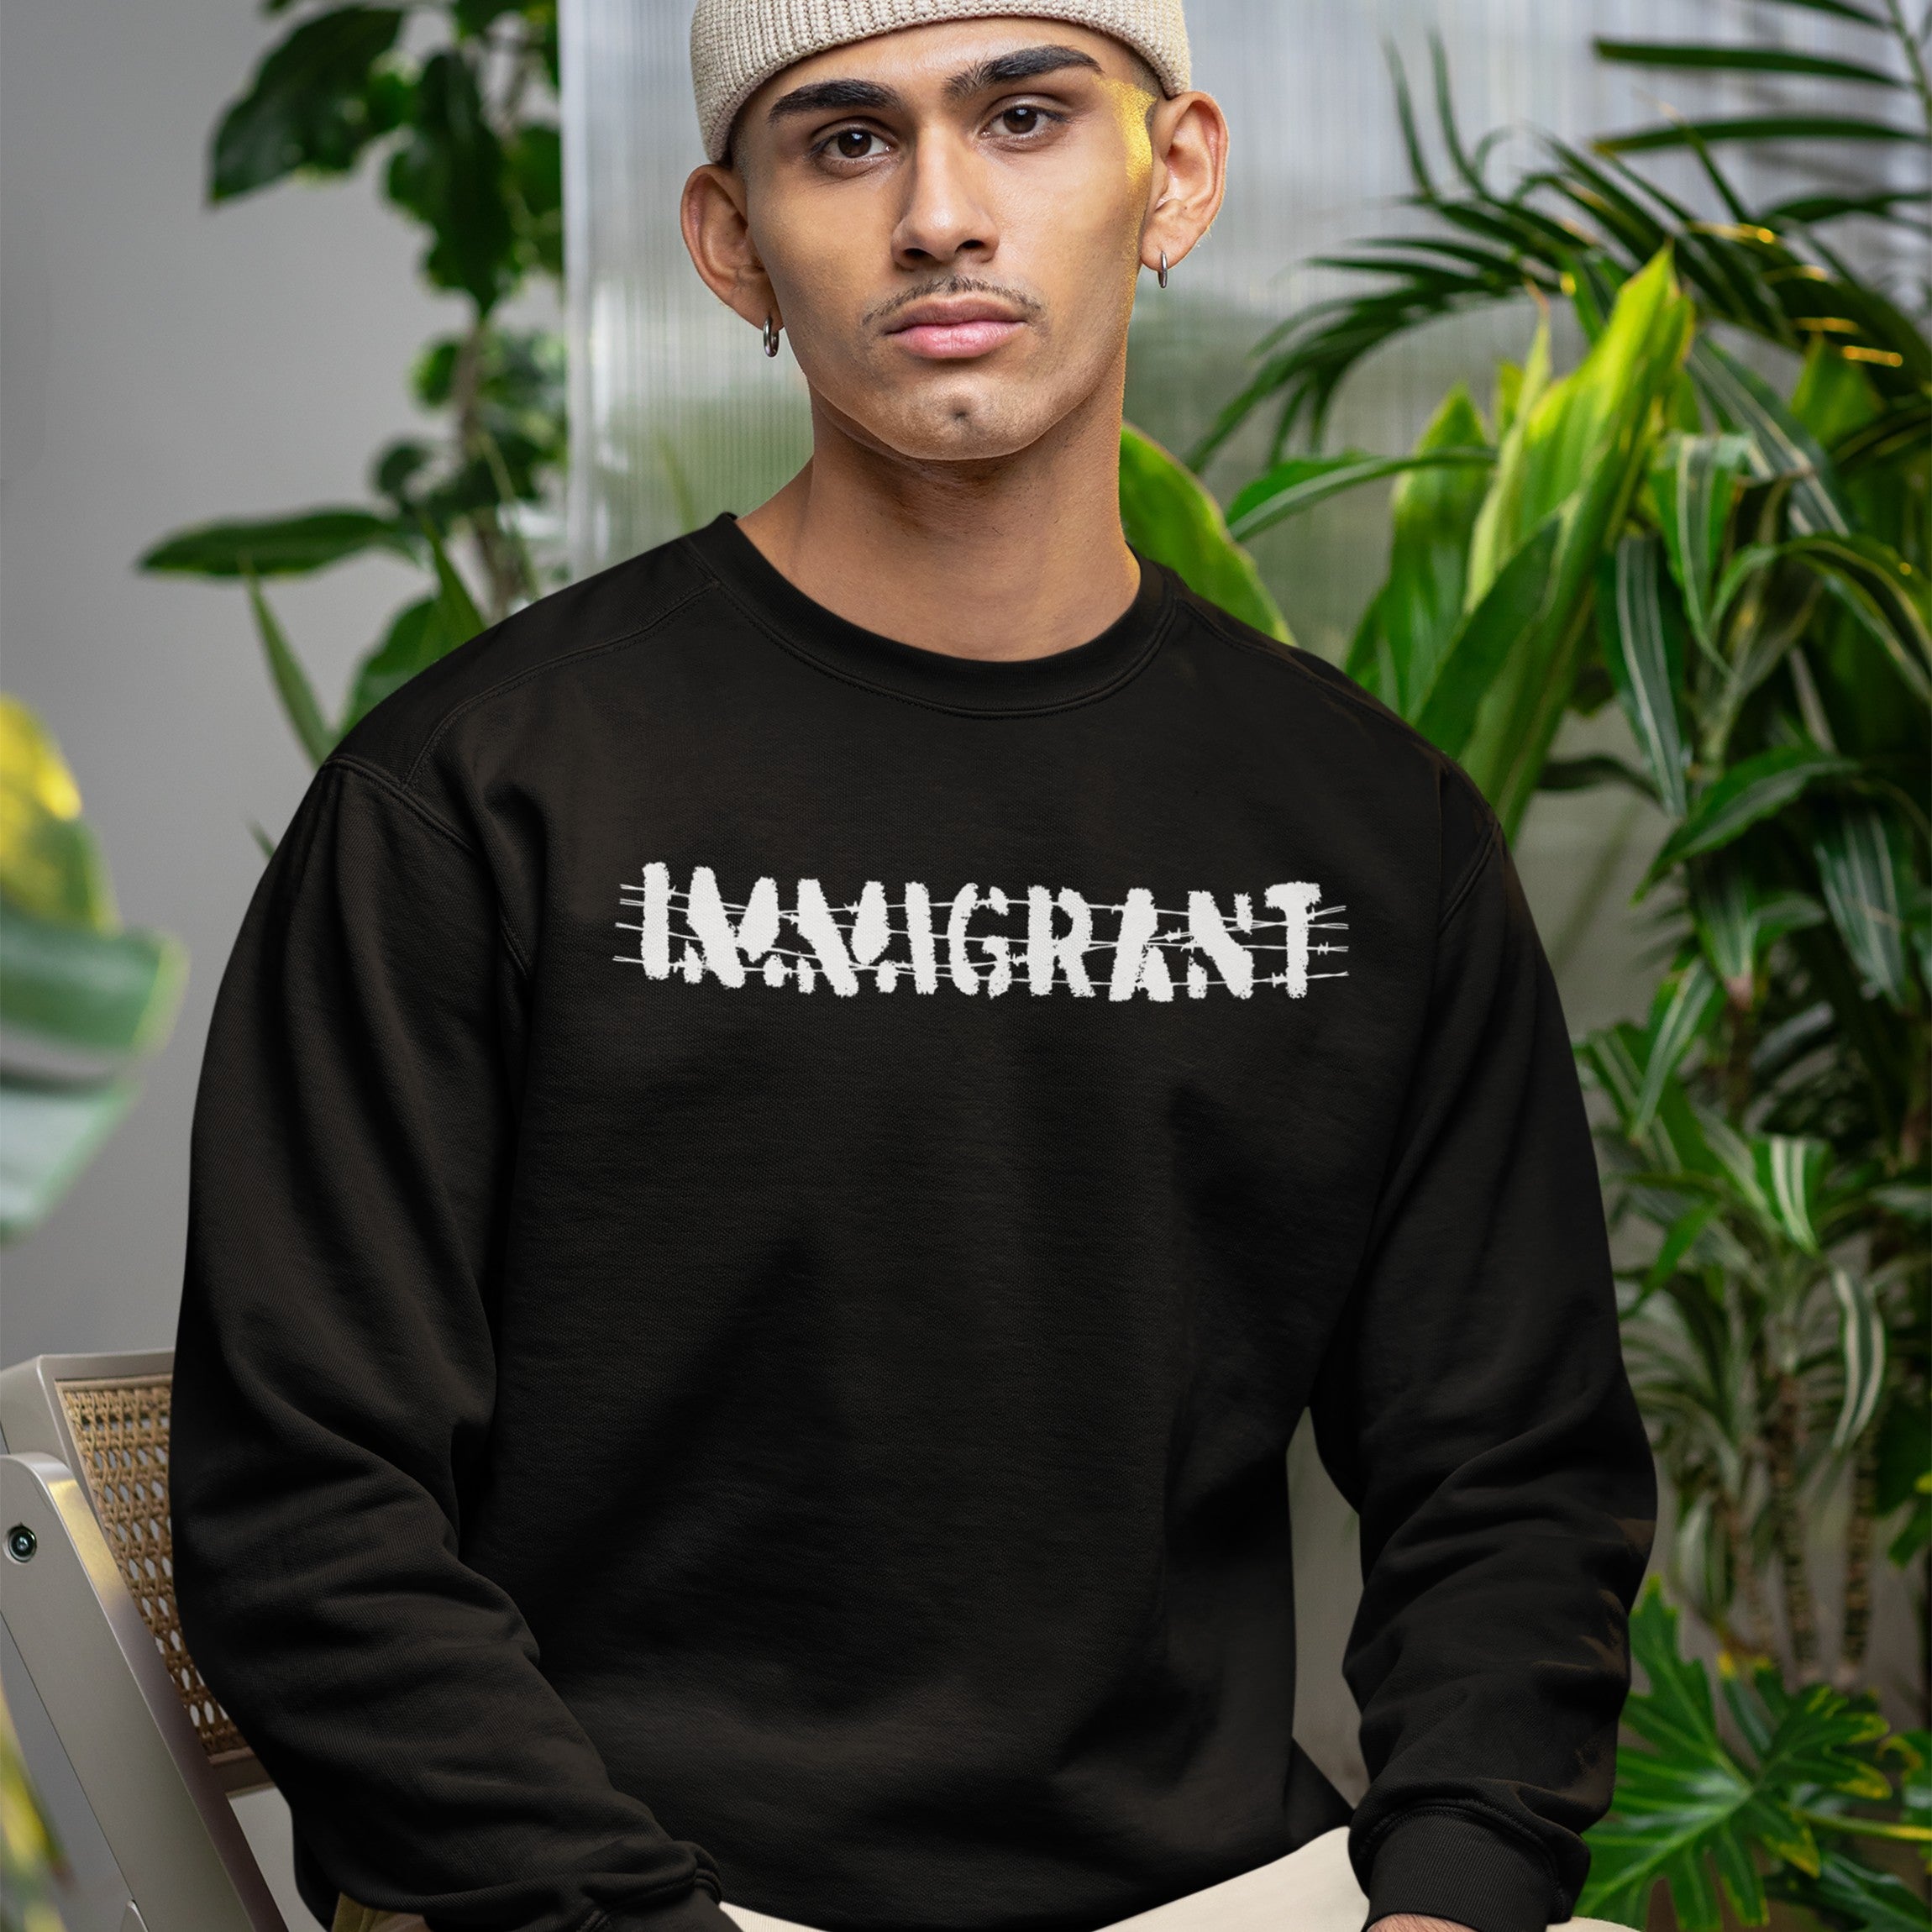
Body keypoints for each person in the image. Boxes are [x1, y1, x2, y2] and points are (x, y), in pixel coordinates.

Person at [171, 4, 1656, 1932]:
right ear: (733, 243)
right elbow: (306, 1507)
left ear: (1175, 176)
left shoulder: (1367, 834)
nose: (942, 214)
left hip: (1216, 1891)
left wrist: (1449, 1890)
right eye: (846, 142)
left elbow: (1513, 1468)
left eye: (1024, 117)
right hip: (631, 1898)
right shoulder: (481, 793)